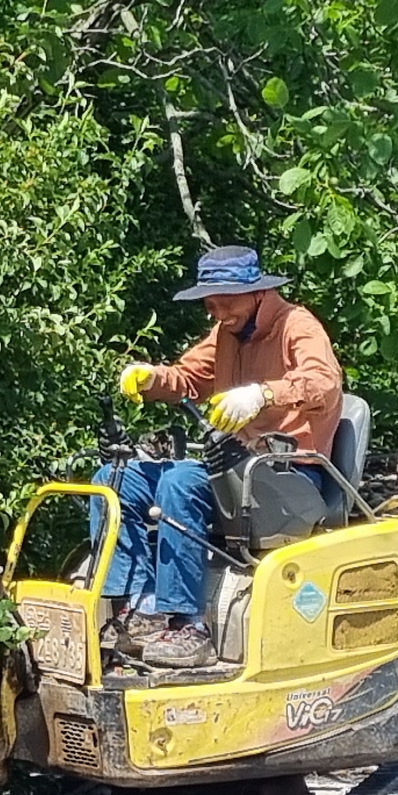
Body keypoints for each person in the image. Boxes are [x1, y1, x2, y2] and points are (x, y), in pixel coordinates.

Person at [102, 244, 344, 669]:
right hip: (236, 471)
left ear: (256, 292)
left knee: (181, 482)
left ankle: (189, 627)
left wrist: (264, 394)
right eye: (210, 303)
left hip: (290, 479)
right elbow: (186, 378)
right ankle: (140, 607)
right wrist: (151, 378)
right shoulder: (226, 335)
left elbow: (324, 383)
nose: (216, 312)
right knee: (114, 479)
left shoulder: (298, 325)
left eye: (225, 301)